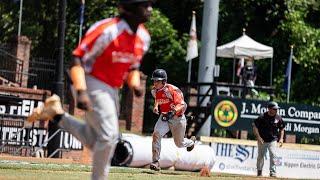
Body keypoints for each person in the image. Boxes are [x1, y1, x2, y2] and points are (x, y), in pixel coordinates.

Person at [27, 0, 153, 179]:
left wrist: (135, 85)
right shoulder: (108, 30)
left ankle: (56, 115)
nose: (149, 9)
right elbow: (76, 58)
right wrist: (81, 91)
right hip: (89, 79)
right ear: (128, 9)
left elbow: (132, 66)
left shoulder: (143, 37)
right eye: (144, 5)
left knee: (100, 140)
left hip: (110, 87)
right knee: (109, 136)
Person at [149, 69, 196, 171]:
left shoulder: (173, 90)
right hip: (164, 117)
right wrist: (156, 106)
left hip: (177, 119)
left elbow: (182, 104)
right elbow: (158, 98)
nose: (155, 83)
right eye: (154, 80)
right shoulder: (154, 90)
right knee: (156, 134)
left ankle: (191, 142)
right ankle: (155, 162)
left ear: (164, 81)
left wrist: (173, 112)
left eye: (157, 81)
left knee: (179, 144)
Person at [252, 101, 285, 177]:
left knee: (273, 155)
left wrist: (281, 139)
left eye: (277, 109)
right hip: (262, 140)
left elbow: (282, 129)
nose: (276, 110)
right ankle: (259, 172)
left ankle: (272, 173)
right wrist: (258, 137)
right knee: (260, 156)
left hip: (272, 140)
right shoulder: (262, 117)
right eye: (274, 109)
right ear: (269, 109)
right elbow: (255, 127)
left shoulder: (278, 118)